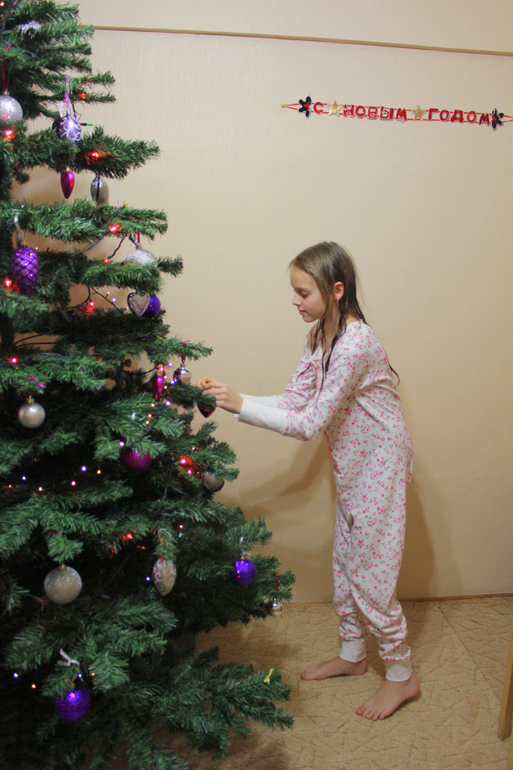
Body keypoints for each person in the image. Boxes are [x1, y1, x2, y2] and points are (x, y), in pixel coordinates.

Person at [198, 241, 419, 720]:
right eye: (294, 292)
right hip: (352, 463)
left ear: (336, 290)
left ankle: (402, 674)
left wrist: (242, 406)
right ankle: (353, 654)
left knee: (371, 574)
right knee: (345, 562)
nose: (295, 301)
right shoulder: (320, 335)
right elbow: (295, 400)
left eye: (303, 293)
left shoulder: (355, 344)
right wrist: (237, 399)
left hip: (380, 464)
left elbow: (309, 423)